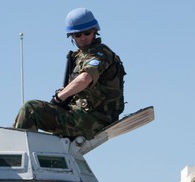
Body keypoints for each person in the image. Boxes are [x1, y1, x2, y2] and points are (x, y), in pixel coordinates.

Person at [13, 8, 125, 140]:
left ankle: (13, 157)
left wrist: (58, 98)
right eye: (78, 35)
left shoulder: (100, 53)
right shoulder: (80, 57)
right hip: (83, 116)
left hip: (93, 119)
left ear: (95, 31)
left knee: (31, 109)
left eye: (87, 33)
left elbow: (85, 78)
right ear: (72, 36)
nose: (83, 38)